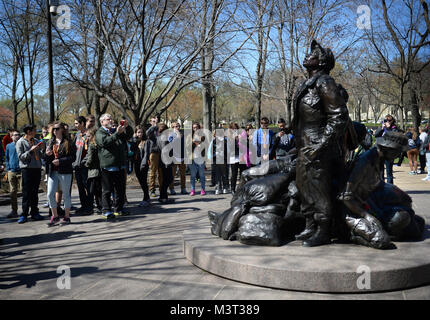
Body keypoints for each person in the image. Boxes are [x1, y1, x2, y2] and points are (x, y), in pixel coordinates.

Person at [292, 40, 349, 247]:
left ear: (322, 62)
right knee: (303, 185)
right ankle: (310, 225)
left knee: (319, 188)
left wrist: (321, 145)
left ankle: (323, 230)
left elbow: (339, 116)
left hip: (318, 146)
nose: (308, 56)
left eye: (314, 54)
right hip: (304, 145)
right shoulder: (307, 84)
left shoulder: (325, 83)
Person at [96, 114, 133, 219]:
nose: (111, 120)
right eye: (108, 119)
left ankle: (119, 208)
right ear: (102, 122)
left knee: (120, 189)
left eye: (111, 118)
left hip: (120, 164)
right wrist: (117, 133)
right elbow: (105, 142)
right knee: (107, 190)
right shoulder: (100, 132)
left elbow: (128, 136)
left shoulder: (115, 130)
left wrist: (127, 126)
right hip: (108, 165)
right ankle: (106, 210)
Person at [45, 122, 76, 226]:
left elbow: (73, 157)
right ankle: (55, 216)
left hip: (65, 171)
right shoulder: (50, 142)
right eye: (53, 129)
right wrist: (47, 155)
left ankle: (67, 217)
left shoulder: (69, 142)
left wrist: (61, 161)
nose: (55, 131)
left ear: (62, 129)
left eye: (57, 129)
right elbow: (46, 159)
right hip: (52, 171)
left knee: (66, 194)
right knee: (50, 194)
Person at [16, 124, 45, 224]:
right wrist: (30, 151)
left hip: (36, 168)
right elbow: (21, 157)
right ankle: (24, 214)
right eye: (34, 130)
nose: (35, 132)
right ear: (28, 131)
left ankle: (34, 212)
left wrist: (42, 149)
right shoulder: (20, 142)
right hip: (27, 170)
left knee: (34, 192)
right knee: (26, 192)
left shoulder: (36, 141)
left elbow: (41, 155)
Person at [73, 116, 92, 214]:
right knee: (80, 187)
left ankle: (89, 207)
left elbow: (90, 151)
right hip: (77, 166)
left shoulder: (88, 135)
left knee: (87, 186)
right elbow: (74, 149)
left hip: (85, 166)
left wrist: (84, 162)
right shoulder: (77, 134)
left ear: (82, 123)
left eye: (76, 123)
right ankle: (83, 205)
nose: (75, 125)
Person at [374, 115, 399, 183]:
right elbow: (376, 135)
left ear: (392, 121)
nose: (387, 122)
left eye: (389, 120)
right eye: (386, 120)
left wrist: (388, 129)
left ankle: (389, 187)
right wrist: (382, 128)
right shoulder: (382, 127)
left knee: (389, 172)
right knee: (380, 171)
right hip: (381, 151)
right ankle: (382, 187)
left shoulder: (394, 128)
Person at [85, 128, 103, 214]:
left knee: (91, 191)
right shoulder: (99, 145)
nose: (87, 138)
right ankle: (100, 206)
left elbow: (90, 158)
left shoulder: (91, 145)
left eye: (88, 136)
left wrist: (85, 165)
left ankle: (89, 208)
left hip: (93, 172)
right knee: (98, 191)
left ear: (92, 136)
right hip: (100, 171)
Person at [5, 130, 21, 219]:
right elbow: (6, 157)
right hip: (12, 171)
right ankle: (14, 211)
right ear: (11, 136)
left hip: (21, 170)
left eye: (18, 135)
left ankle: (25, 210)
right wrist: (8, 169)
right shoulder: (8, 146)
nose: (17, 136)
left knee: (24, 190)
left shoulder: (22, 144)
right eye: (15, 135)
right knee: (13, 191)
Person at [157, 123, 174, 203]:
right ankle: (163, 197)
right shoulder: (164, 138)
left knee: (165, 179)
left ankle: (163, 197)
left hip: (162, 161)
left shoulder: (159, 137)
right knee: (169, 178)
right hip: (166, 162)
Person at [169, 122, 187, 195]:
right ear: (172, 127)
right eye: (175, 126)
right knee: (172, 175)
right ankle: (172, 189)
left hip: (182, 157)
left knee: (183, 174)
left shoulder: (183, 135)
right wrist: (178, 137)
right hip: (174, 157)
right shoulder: (171, 135)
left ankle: (183, 188)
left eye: (178, 126)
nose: (177, 127)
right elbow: (171, 144)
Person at [134, 125, 151, 207]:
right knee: (141, 181)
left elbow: (147, 154)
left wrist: (143, 164)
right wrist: (134, 139)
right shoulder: (135, 141)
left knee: (144, 181)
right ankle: (146, 197)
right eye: (138, 132)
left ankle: (146, 198)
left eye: (141, 132)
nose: (139, 134)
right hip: (136, 164)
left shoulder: (146, 141)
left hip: (143, 164)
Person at [146, 117, 162, 198]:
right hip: (154, 153)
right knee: (153, 172)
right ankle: (152, 190)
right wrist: (154, 126)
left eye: (156, 121)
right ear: (150, 122)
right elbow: (147, 133)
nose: (155, 122)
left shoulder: (160, 131)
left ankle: (162, 190)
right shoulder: (151, 130)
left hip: (161, 153)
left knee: (161, 173)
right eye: (153, 121)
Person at [209, 130, 229, 194]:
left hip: (221, 159)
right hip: (218, 159)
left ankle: (222, 188)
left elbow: (228, 150)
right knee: (221, 174)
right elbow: (210, 150)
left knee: (222, 174)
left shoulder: (224, 141)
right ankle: (221, 187)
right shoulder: (214, 141)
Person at [189, 122, 206, 196]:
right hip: (192, 158)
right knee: (193, 175)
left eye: (196, 127)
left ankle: (203, 189)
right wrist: (192, 141)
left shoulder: (203, 136)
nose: (195, 129)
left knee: (202, 175)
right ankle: (192, 190)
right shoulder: (190, 136)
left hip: (200, 158)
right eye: (194, 127)